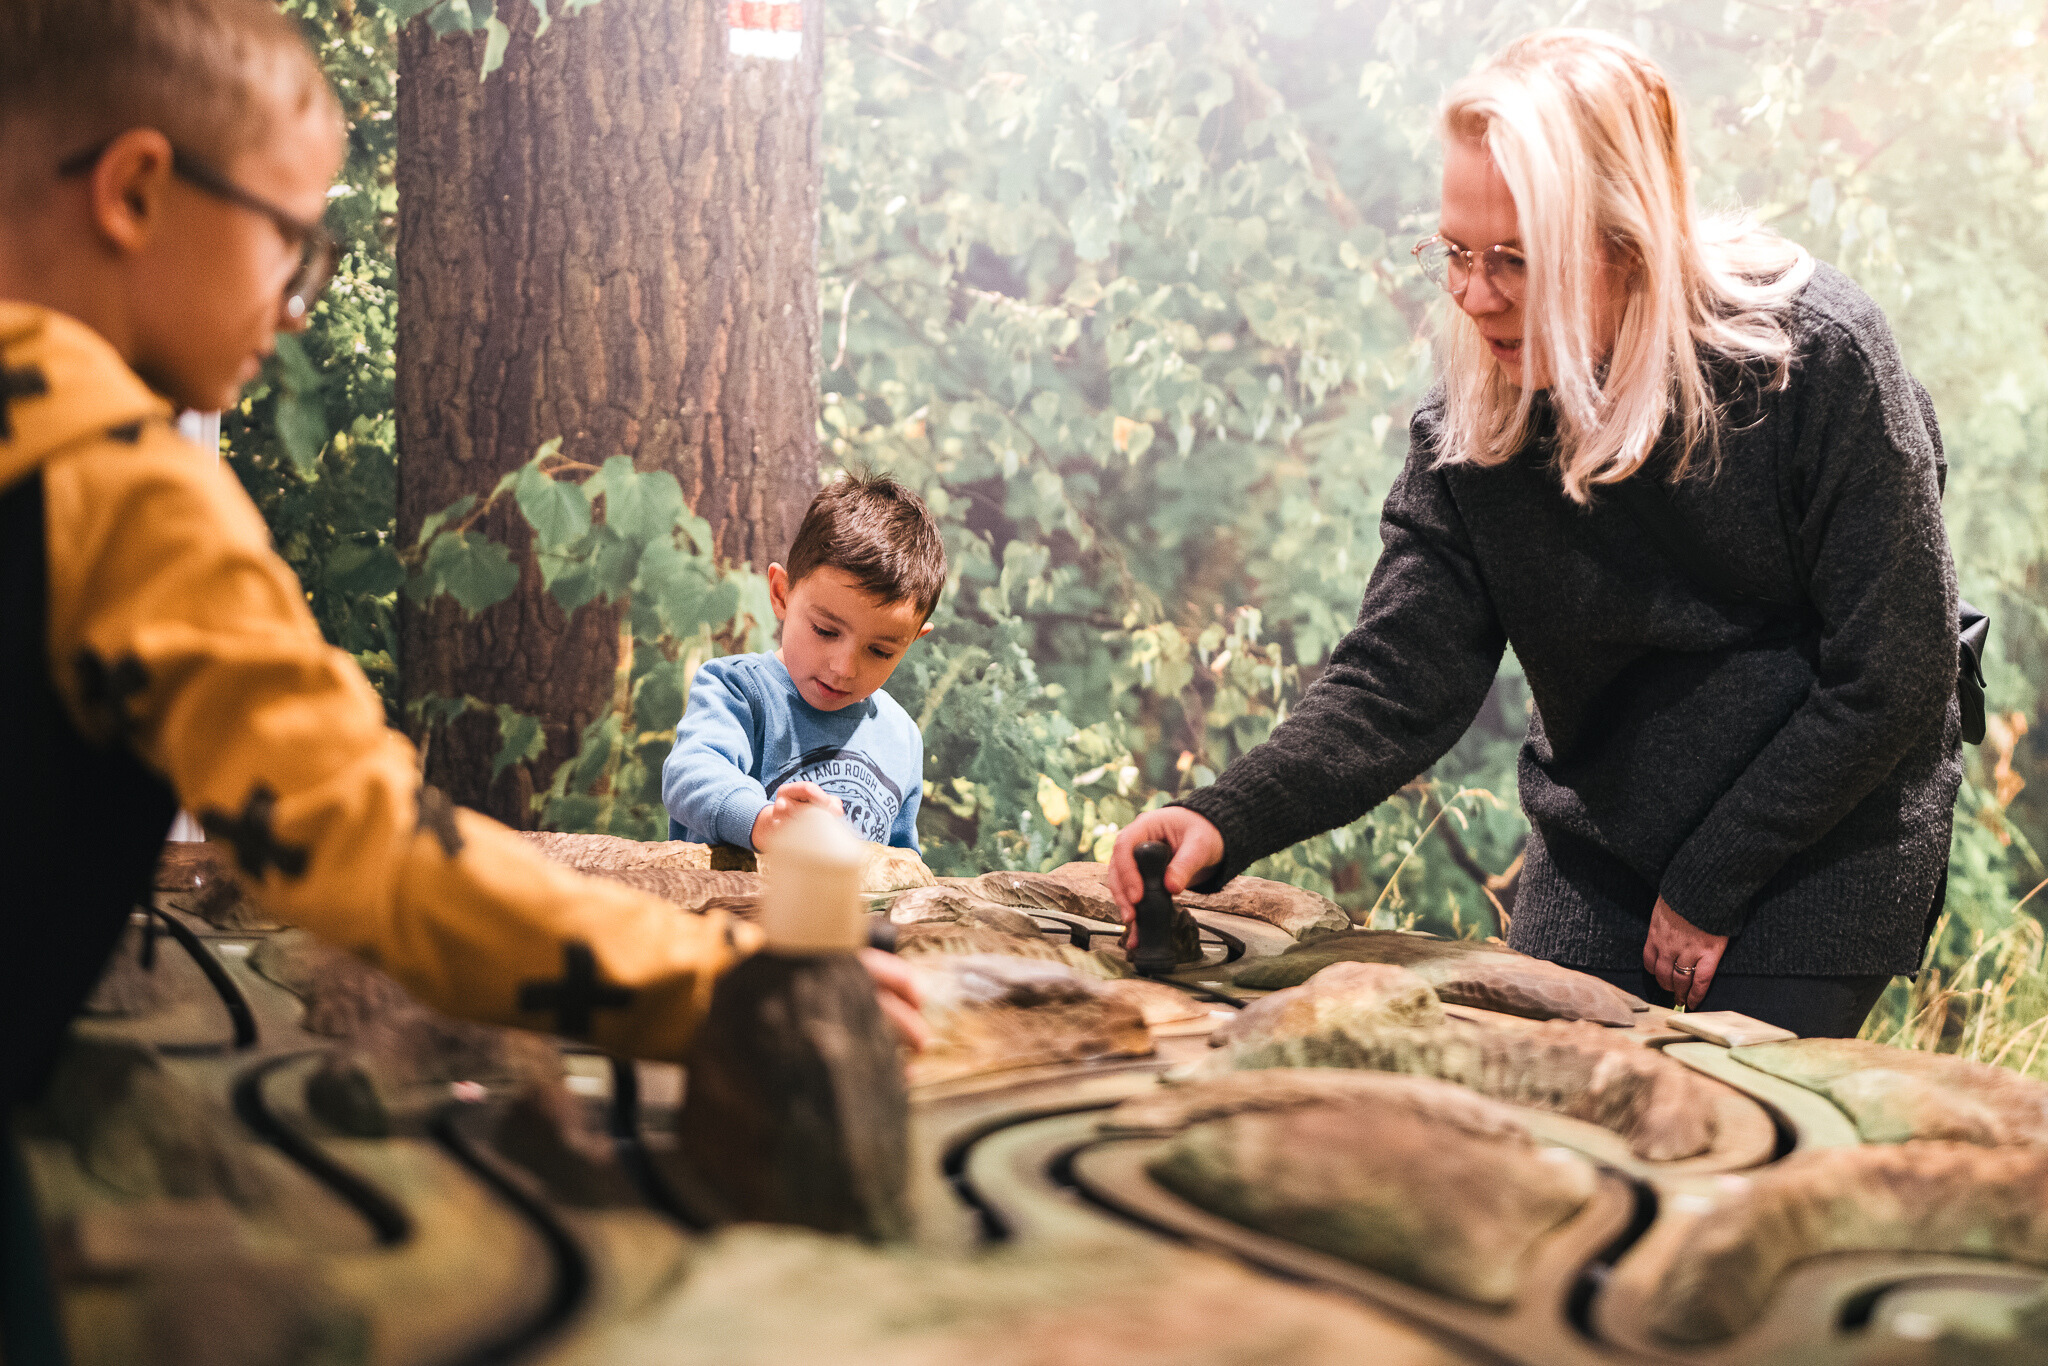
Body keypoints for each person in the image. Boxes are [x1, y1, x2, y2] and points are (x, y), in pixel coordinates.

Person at [0, 0, 931, 1108]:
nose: (298, 307)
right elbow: (373, 856)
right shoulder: (113, 487)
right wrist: (721, 984)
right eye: (291, 240)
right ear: (137, 190)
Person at [1109, 28, 1961, 1040]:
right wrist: (1224, 814)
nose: (1472, 296)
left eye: (1512, 260)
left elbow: (1894, 672)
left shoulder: (1814, 360)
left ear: (1623, 240)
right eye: (1455, 255)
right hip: (1605, 834)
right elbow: (1395, 680)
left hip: (1820, 836)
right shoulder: (1471, 430)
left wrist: (1707, 881)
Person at [663, 474, 942, 855]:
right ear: (781, 593)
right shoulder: (736, 690)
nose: (844, 668)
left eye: (879, 651)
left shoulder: (903, 740)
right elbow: (690, 774)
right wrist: (765, 822)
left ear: (911, 641)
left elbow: (901, 864)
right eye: (826, 631)